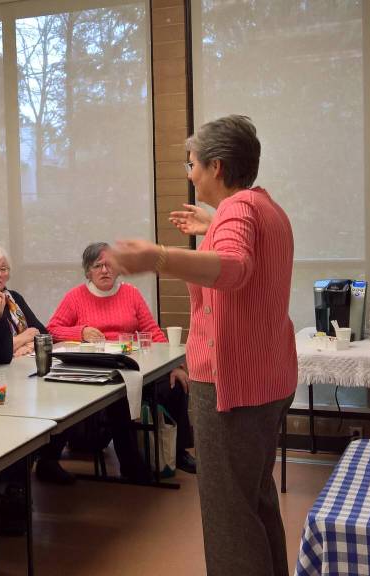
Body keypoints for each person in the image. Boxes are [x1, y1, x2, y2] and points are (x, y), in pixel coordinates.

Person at [107, 115, 296, 576]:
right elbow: (243, 255)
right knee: (254, 499)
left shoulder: (237, 212)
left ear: (215, 166)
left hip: (231, 387)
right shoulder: (263, 207)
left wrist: (157, 257)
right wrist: (212, 224)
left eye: (190, 164)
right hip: (269, 377)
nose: (188, 173)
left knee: (229, 517)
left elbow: (233, 269)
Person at [46, 242, 195, 474]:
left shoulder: (130, 293)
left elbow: (152, 331)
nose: (105, 271)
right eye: (98, 266)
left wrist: (175, 366)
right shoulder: (75, 297)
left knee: (176, 385)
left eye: (110, 265)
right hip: (99, 372)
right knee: (119, 398)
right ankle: (130, 462)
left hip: (135, 367)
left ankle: (178, 453)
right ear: (88, 271)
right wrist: (81, 331)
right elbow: (52, 329)